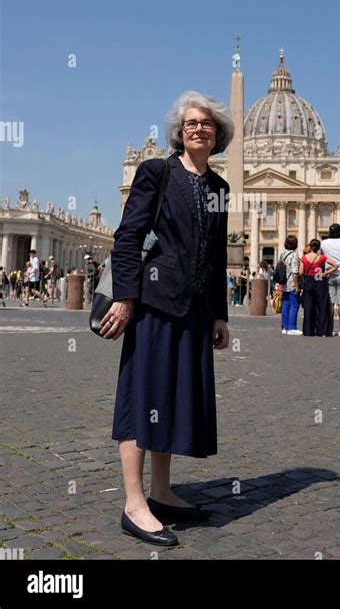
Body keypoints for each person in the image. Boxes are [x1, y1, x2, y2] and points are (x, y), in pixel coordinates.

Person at [100, 90, 233, 547]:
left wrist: (219, 313)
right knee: (142, 396)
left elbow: (217, 257)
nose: (199, 128)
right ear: (180, 131)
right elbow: (128, 236)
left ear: (218, 135)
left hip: (195, 308)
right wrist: (125, 297)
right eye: (192, 123)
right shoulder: (157, 172)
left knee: (171, 397)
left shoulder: (219, 187)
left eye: (207, 124)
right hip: (154, 303)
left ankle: (160, 491)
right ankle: (133, 503)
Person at [299, 239, 339, 336]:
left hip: (308, 282)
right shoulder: (322, 257)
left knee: (308, 307)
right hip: (320, 281)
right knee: (322, 307)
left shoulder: (304, 258)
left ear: (310, 246)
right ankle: (323, 331)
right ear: (318, 247)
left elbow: (300, 272)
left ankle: (308, 331)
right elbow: (336, 265)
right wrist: (326, 273)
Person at [279, 235, 302, 334]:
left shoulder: (282, 254)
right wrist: (297, 286)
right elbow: (295, 272)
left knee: (285, 304)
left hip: (284, 283)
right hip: (292, 283)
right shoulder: (294, 255)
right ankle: (292, 327)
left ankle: (284, 327)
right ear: (295, 245)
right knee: (294, 305)